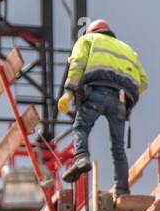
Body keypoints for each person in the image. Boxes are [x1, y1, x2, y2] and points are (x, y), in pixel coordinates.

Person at [57, 18, 148, 193]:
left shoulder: (87, 40)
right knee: (118, 148)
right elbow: (143, 82)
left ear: (92, 31)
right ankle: (122, 190)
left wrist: (68, 93)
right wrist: (126, 96)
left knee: (81, 128)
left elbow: (77, 64)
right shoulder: (127, 50)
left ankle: (81, 158)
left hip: (95, 93)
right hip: (121, 100)